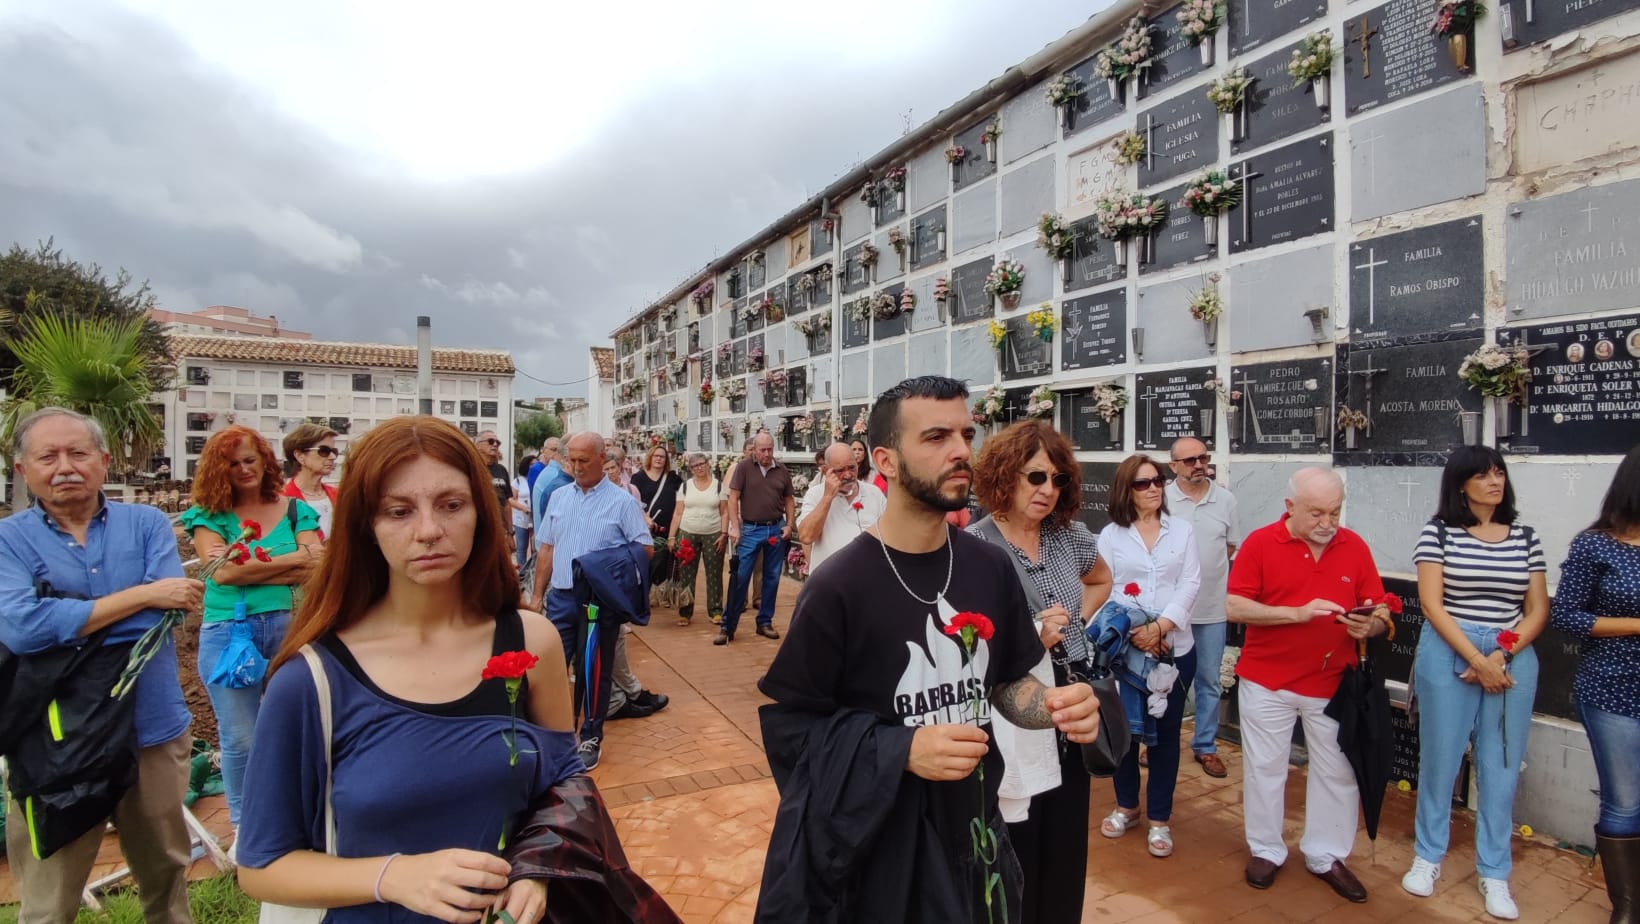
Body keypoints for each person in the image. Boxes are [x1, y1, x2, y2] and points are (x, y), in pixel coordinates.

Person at [235, 416, 680, 923]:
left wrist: (536, 867)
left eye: (451, 505)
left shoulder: (529, 643)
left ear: (480, 514)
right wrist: (393, 877)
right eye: (399, 511)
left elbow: (564, 778)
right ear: (366, 526)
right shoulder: (311, 679)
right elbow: (262, 865)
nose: (429, 531)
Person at [755, 376, 1102, 922]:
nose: (962, 450)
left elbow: (1007, 682)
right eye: (937, 436)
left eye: (966, 433)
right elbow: (791, 734)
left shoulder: (989, 566)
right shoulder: (838, 587)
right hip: (881, 857)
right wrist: (901, 751)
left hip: (977, 838)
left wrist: (1053, 707)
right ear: (886, 460)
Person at [0, 408, 203, 924]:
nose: (65, 466)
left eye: (78, 453)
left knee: (166, 879)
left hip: (151, 730)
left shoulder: (148, 524)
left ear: (104, 461)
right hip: (54, 742)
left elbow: (160, 622)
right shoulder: (8, 540)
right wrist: (142, 594)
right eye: (48, 456)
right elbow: (21, 629)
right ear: (23, 469)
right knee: (49, 901)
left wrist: (65, 617)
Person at [1228, 467, 1395, 903]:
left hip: (1333, 683)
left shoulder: (1353, 545)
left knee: (1338, 772)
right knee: (1265, 768)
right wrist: (1296, 613)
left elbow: (1380, 610)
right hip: (1268, 680)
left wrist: (1371, 625)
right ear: (1290, 508)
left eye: (1335, 512)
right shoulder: (1261, 543)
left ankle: (1326, 854)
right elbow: (1234, 606)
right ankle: (1266, 848)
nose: (1327, 523)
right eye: (1316, 513)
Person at [966, 420, 1109, 924]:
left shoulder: (1069, 538)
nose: (1048, 490)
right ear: (1005, 475)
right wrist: (1030, 636)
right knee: (1018, 832)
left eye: (1057, 480)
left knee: (1067, 830)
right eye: (1035, 477)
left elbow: (1100, 578)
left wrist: (1077, 626)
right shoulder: (975, 547)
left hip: (1071, 701)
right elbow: (967, 641)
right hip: (1015, 709)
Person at [1402, 445, 1546, 920]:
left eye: (1499, 472)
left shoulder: (1526, 536)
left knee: (1500, 763)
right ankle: (1428, 855)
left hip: (1510, 650)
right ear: (1460, 484)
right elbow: (1431, 603)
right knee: (1441, 759)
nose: (1494, 480)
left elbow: (1537, 609)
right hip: (1451, 647)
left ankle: (1495, 871)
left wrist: (1500, 654)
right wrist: (1474, 657)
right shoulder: (1438, 532)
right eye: (1482, 474)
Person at [181, 425, 321, 838]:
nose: (243, 469)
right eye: (232, 463)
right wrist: (292, 562)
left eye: (250, 460)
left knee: (291, 726)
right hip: (228, 633)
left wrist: (249, 569)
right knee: (240, 735)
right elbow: (220, 572)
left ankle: (293, 816)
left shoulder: (295, 510)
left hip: (288, 628)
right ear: (217, 469)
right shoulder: (207, 515)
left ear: (265, 462)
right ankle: (246, 828)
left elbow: (319, 562)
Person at [527, 433, 665, 769]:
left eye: (583, 461)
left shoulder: (621, 502)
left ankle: (591, 735)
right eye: (571, 460)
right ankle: (555, 734)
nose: (576, 467)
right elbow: (546, 548)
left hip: (596, 604)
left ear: (602, 458)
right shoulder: (560, 497)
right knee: (552, 670)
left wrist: (606, 567)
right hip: (560, 599)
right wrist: (536, 597)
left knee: (593, 671)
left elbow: (644, 549)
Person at [1096, 454, 1201, 860]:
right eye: (1142, 483)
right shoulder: (1110, 535)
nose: (1154, 488)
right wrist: (1138, 631)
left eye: (1157, 480)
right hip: (1128, 651)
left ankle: (1160, 817)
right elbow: (1106, 586)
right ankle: (1127, 806)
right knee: (1123, 735)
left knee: (1166, 738)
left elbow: (1191, 582)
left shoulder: (1183, 531)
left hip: (1174, 648)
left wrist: (1162, 627)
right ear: (1126, 489)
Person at [1552, 445, 1640, 923]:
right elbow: (1566, 616)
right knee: (1625, 801)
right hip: (1614, 690)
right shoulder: (1596, 546)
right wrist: (1636, 626)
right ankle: (1627, 906)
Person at [1166, 437, 1242, 779]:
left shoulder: (1224, 499)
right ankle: (1160, 743)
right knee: (1165, 679)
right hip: (1171, 610)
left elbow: (1228, 547)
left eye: (1203, 458)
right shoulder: (1163, 498)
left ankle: (1206, 745)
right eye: (1189, 460)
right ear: (1174, 466)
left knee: (1209, 679)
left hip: (1211, 608)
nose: (1198, 465)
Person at [720, 432, 795, 645]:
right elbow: (733, 497)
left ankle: (764, 622)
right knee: (740, 577)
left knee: (771, 578)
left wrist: (789, 525)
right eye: (762, 450)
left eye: (770, 449)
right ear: (754, 449)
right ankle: (728, 625)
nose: (766, 454)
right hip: (751, 530)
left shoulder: (781, 469)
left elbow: (789, 499)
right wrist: (735, 526)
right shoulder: (744, 468)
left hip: (775, 529)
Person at [796, 442, 886, 575]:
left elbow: (890, 533)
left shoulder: (874, 494)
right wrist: (827, 498)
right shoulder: (815, 494)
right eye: (840, 470)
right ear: (826, 470)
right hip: (829, 582)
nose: (848, 475)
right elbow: (806, 537)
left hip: (868, 580)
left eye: (851, 468)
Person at [666, 452, 728, 626]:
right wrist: (672, 536)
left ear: (708, 464)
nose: (699, 468)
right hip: (688, 533)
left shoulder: (718, 486)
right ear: (690, 469)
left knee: (714, 573)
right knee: (686, 574)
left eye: (702, 464)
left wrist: (724, 534)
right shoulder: (685, 487)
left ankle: (715, 611)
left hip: (713, 534)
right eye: (695, 466)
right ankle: (685, 612)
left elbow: (724, 512)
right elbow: (678, 513)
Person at [632, 445, 685, 586]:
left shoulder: (673, 478)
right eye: (656, 456)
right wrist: (645, 518)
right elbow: (632, 502)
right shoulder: (638, 478)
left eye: (662, 457)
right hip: (644, 528)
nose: (659, 459)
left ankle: (660, 592)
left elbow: (683, 498)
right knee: (645, 561)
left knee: (663, 561)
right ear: (650, 457)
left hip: (666, 528)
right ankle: (645, 591)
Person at [281, 422, 339, 538]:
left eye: (334, 451)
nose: (332, 457)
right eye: (324, 451)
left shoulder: (339, 495)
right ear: (300, 456)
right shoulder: (281, 499)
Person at [475, 429, 512, 537]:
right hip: (479, 529)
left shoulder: (501, 470)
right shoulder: (472, 468)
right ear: (478, 446)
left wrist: (510, 532)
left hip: (499, 530)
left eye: (497, 442)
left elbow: (506, 504)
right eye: (491, 441)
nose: (495, 444)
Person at [512, 455, 536, 572]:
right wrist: (522, 508)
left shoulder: (537, 479)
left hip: (534, 519)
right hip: (521, 519)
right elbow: (511, 499)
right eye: (532, 464)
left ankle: (532, 572)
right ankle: (522, 572)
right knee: (522, 548)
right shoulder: (517, 481)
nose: (534, 467)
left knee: (535, 547)